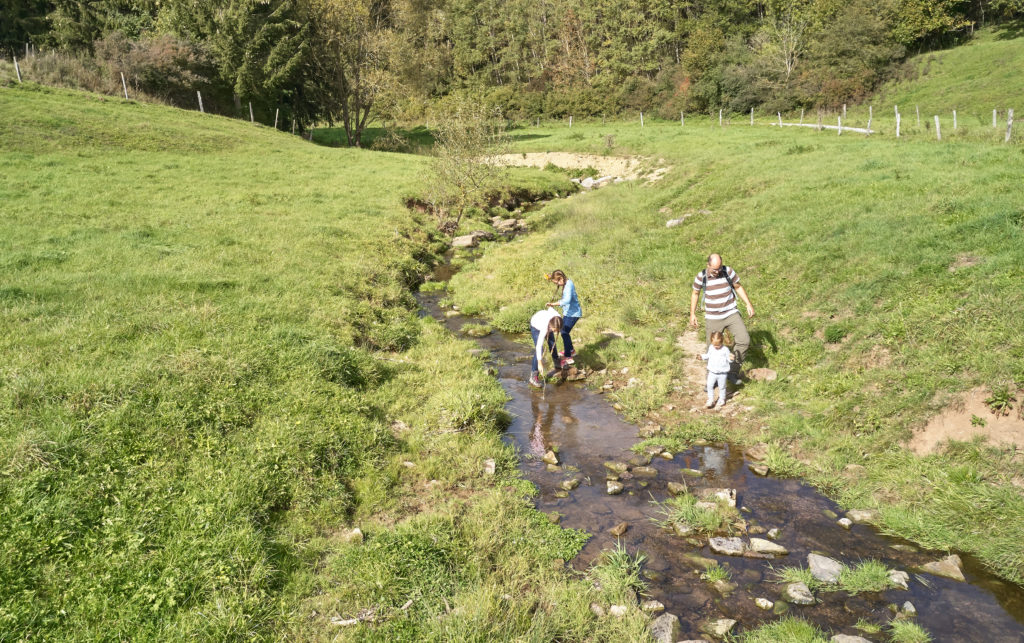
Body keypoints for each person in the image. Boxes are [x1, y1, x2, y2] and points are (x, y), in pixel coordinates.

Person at [689, 253, 755, 384]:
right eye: (714, 269)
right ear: (708, 265)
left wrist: (748, 304)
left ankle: (732, 371)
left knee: (744, 340)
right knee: (712, 349)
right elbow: (695, 293)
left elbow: (738, 286)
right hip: (713, 317)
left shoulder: (728, 271)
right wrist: (692, 313)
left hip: (731, 313)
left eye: (719, 268)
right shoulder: (701, 277)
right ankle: (711, 380)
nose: (717, 271)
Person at [545, 270, 581, 367]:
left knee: (564, 332)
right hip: (568, 313)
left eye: (557, 282)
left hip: (573, 314)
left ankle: (568, 356)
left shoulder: (568, 285)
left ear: (560, 278)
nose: (558, 284)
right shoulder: (565, 282)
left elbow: (567, 300)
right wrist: (550, 277)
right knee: (564, 331)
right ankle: (571, 350)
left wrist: (553, 304)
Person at [698, 331, 734, 409]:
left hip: (722, 373)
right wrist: (702, 357)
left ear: (722, 341)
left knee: (722, 387)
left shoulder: (725, 349)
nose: (716, 346)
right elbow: (708, 355)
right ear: (711, 342)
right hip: (712, 372)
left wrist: (731, 358)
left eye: (718, 345)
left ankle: (721, 400)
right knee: (709, 386)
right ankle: (710, 399)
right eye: (714, 344)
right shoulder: (711, 347)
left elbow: (729, 359)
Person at [529, 307, 563, 388]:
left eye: (556, 330)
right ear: (550, 326)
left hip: (547, 322)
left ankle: (556, 361)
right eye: (554, 330)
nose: (555, 332)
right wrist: (540, 363)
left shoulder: (558, 319)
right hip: (536, 325)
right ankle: (533, 375)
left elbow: (550, 308)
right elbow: (538, 346)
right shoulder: (544, 326)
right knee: (539, 350)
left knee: (552, 343)